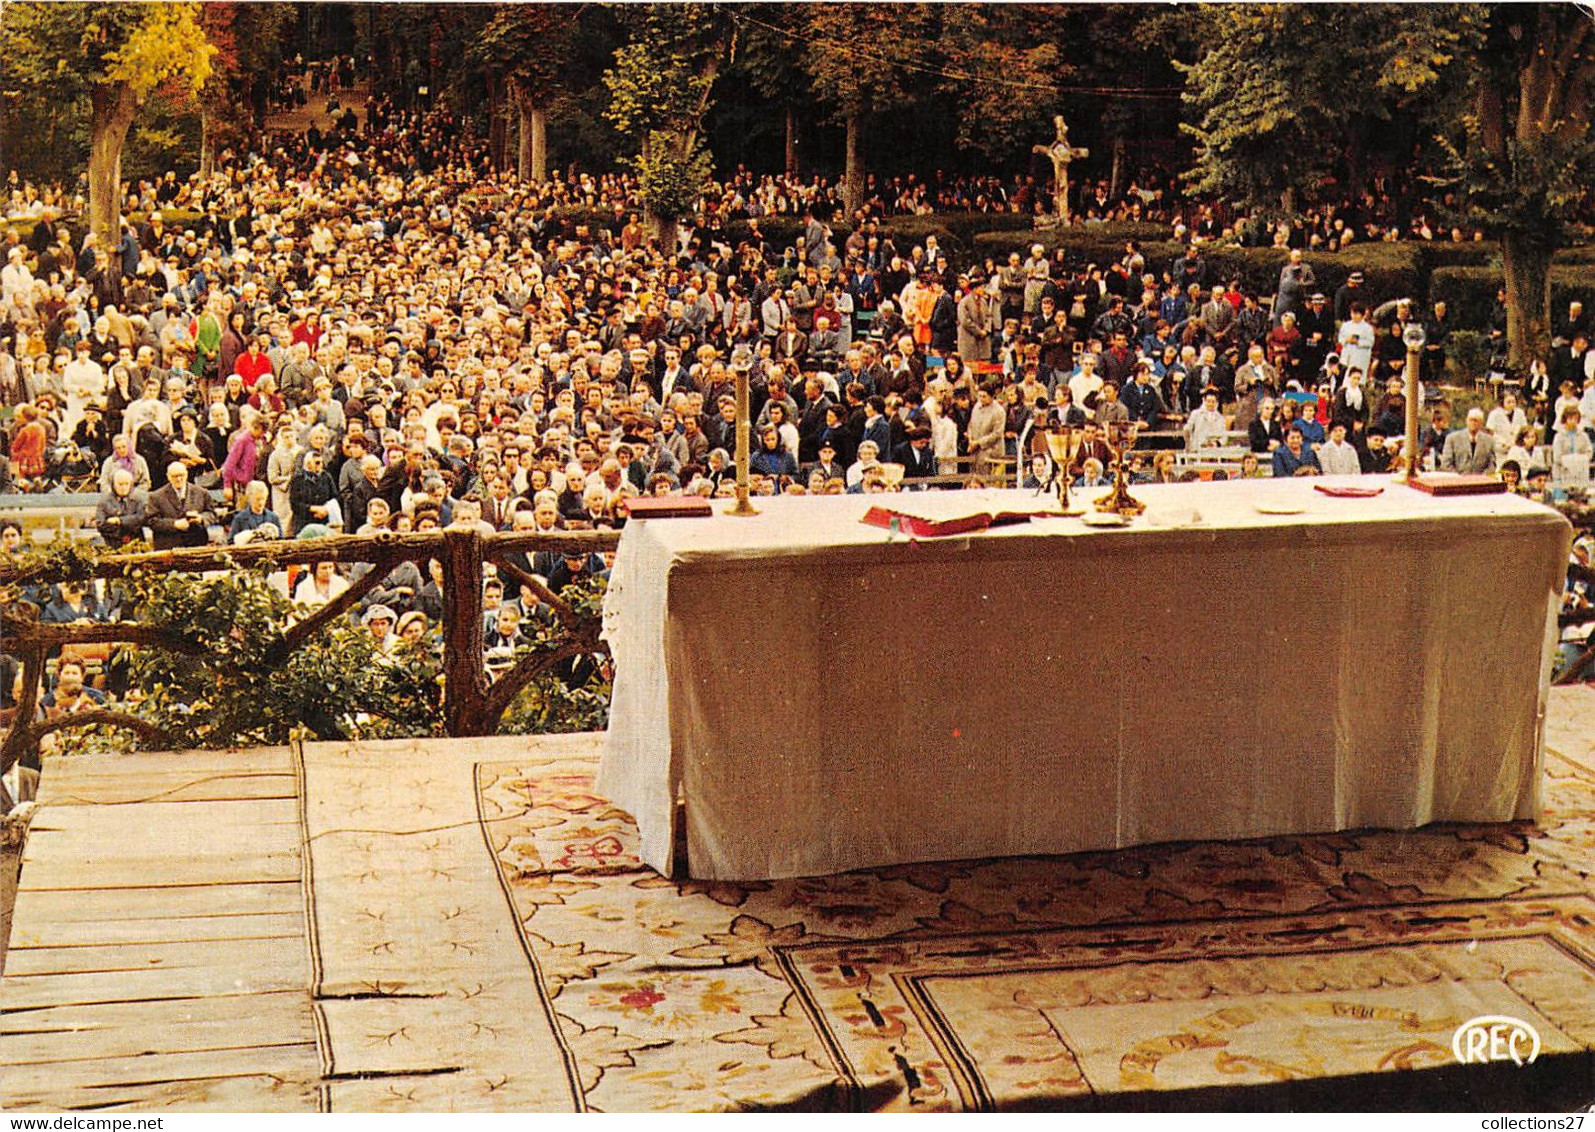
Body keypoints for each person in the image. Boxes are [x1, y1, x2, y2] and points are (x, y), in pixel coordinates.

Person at [144, 460, 217, 549]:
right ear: (168, 477)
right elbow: (151, 521)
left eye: (181, 475)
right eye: (175, 476)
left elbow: (212, 514)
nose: (178, 479)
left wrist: (201, 518)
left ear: (186, 474)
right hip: (168, 547)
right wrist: (174, 524)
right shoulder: (156, 497)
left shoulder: (202, 493)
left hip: (196, 544)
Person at [94, 466, 146, 546]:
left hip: (136, 541)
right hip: (112, 541)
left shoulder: (138, 499)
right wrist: (124, 528)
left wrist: (119, 521)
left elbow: (141, 518)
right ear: (113, 485)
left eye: (126, 484)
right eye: (120, 484)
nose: (124, 487)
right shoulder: (104, 501)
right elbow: (101, 524)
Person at [1439, 408, 1497, 475]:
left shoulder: (1489, 441)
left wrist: (1482, 477)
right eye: (1471, 420)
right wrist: (1459, 477)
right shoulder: (1452, 439)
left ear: (1481, 423)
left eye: (1476, 421)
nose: (1473, 423)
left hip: (1481, 481)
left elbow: (1492, 464)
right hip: (1457, 481)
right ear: (1466, 421)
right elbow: (1446, 464)